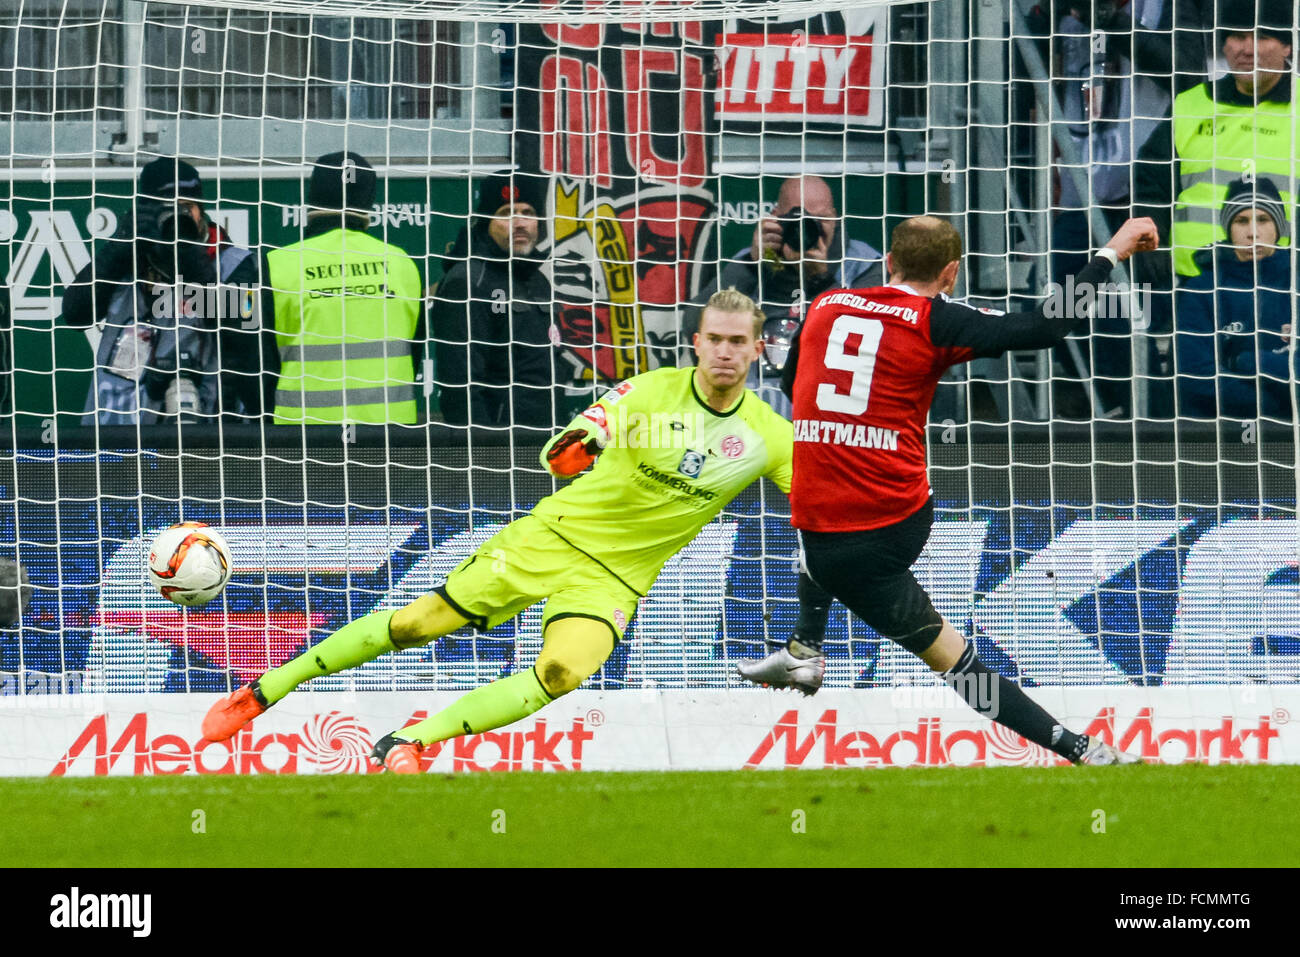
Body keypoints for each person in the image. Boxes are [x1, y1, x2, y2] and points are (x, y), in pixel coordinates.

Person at [202, 288, 803, 772]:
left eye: (738, 342)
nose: (725, 351)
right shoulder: (649, 392)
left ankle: (411, 742)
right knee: (415, 624)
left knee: (563, 674)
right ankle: (262, 692)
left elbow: (818, 504)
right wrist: (578, 443)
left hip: (616, 582)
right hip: (551, 539)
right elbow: (568, 443)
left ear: (756, 350)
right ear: (696, 342)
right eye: (715, 339)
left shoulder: (768, 436)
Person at [737, 214, 1162, 765]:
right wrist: (1115, 248)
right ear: (952, 273)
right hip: (893, 517)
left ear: (888, 262)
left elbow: (794, 384)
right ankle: (803, 649)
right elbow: (1047, 326)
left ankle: (1082, 751)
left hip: (850, 530)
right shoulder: (937, 319)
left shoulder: (826, 305)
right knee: (822, 542)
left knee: (954, 662)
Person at [61, 157, 271, 424]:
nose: (178, 216)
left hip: (204, 432)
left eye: (186, 207)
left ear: (201, 210)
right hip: (119, 434)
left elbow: (244, 327)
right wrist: (118, 249)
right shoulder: (128, 257)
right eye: (166, 208)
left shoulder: (235, 262)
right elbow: (75, 313)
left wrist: (193, 264)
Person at [688, 175, 884, 416]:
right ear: (775, 217)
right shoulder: (753, 262)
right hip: (752, 420)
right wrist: (754, 265)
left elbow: (868, 345)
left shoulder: (863, 265)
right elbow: (693, 326)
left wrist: (821, 281)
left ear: (835, 219)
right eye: (797, 218)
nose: (807, 227)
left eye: (819, 218)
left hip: (831, 418)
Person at [1134, 0, 1299, 281]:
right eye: (1237, 36)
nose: (1247, 49)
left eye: (1262, 37)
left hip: (1283, 286)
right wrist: (1152, 246)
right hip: (1192, 283)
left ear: (1288, 46)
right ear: (1224, 45)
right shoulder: (1191, 104)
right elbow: (1152, 187)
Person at [267, 151, 424, 425]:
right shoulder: (402, 263)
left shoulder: (276, 265)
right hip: (391, 436)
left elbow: (255, 362)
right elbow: (416, 351)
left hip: (301, 438)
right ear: (368, 201)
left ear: (311, 197)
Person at [431, 172, 558, 430]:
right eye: (506, 213)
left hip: (544, 437)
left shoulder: (537, 280)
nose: (519, 222)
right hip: (497, 447)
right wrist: (485, 454)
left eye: (528, 212)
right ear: (486, 223)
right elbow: (460, 385)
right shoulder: (467, 281)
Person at [1175, 177, 1297, 419]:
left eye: (1263, 219)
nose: (1253, 233)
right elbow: (1195, 374)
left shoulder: (1296, 282)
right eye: (1242, 221)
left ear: (1279, 227)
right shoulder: (1201, 290)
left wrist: (1244, 362)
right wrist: (1267, 407)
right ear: (1228, 228)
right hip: (1225, 429)